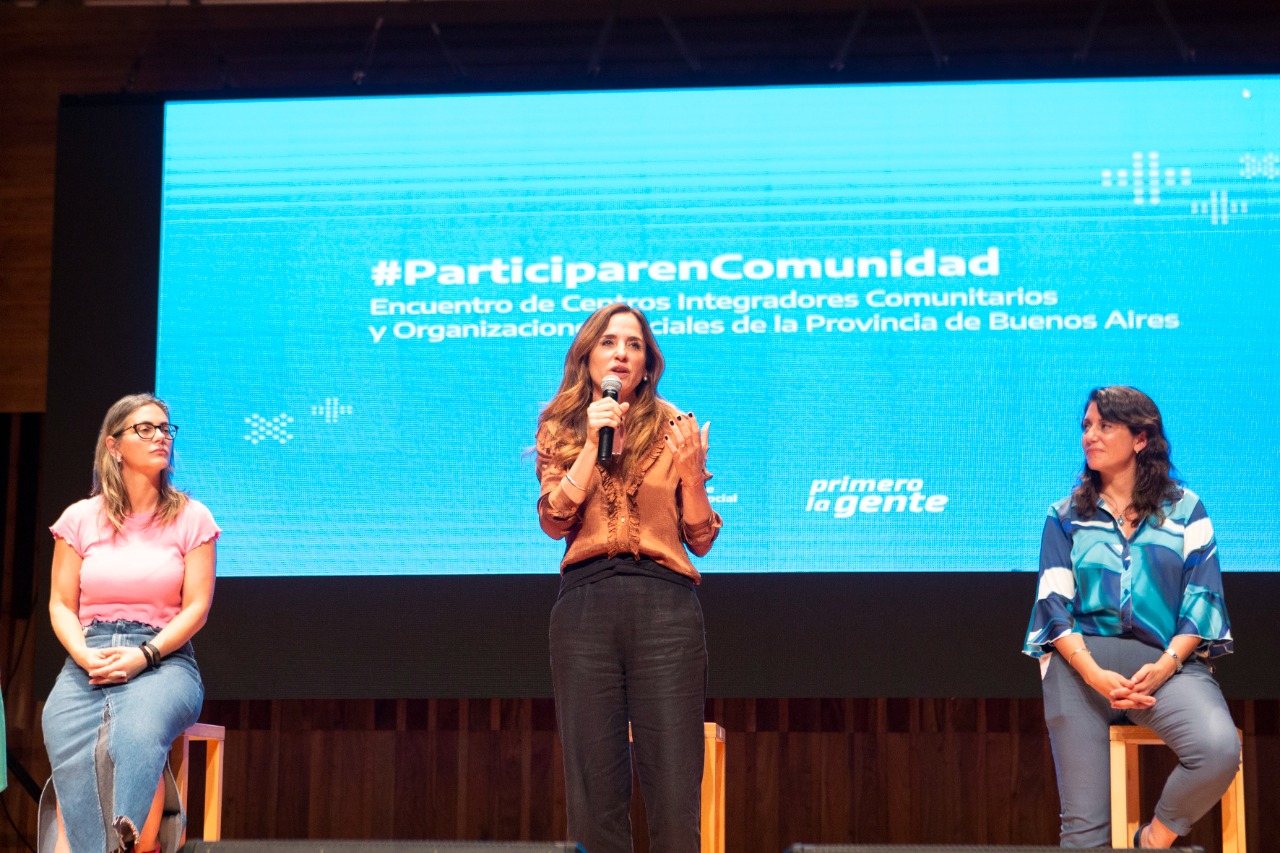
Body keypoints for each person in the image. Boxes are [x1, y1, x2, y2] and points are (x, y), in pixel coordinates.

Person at [535, 304, 722, 853]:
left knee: (674, 787)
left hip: (665, 606)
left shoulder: (677, 427)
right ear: (588, 355)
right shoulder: (562, 426)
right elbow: (553, 519)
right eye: (610, 342)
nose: (622, 353)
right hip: (586, 607)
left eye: (634, 345)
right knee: (594, 791)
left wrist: (693, 477)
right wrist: (594, 444)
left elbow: (702, 537)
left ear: (647, 363)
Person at [1023, 386, 1237, 849]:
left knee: (1218, 750)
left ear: (1140, 439)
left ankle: (1153, 841)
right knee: (1084, 833)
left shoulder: (1185, 510)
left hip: (1163, 665)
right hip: (1081, 666)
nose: (1090, 436)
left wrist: (1165, 666)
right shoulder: (1065, 516)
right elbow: (1053, 607)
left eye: (1105, 426)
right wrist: (1093, 673)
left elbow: (1203, 600)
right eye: (1086, 426)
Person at [40, 394, 219, 853]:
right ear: (114, 446)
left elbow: (196, 608)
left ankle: (129, 843)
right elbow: (61, 603)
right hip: (90, 651)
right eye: (145, 428)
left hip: (163, 658)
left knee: (137, 732)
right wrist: (82, 655)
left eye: (165, 428)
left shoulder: (190, 517)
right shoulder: (80, 518)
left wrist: (145, 655)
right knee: (64, 731)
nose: (161, 436)